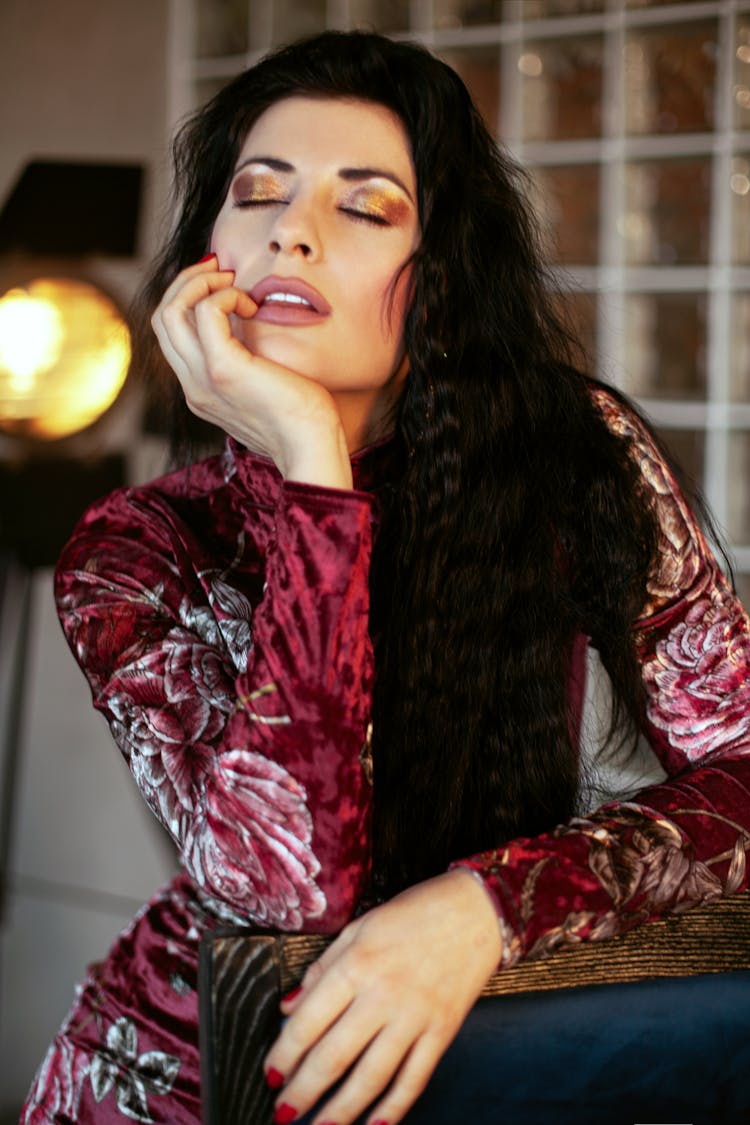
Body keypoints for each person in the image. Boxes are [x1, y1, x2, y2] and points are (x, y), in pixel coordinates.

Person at [21, 29, 750, 1125]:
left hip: (494, 1039)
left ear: (441, 283)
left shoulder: (569, 454)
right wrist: (313, 473)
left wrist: (484, 908)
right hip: (188, 1078)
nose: (292, 236)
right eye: (256, 195)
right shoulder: (131, 551)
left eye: (363, 208)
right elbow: (284, 896)